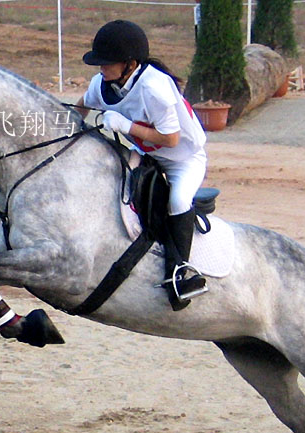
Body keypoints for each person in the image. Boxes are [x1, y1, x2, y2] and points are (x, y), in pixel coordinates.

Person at [78, 19, 208, 310]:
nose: (100, 68)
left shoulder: (154, 88)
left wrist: (127, 126)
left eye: (106, 62)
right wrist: (67, 126)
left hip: (182, 160)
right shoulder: (103, 84)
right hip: (145, 155)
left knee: (177, 199)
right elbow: (83, 103)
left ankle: (180, 273)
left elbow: (171, 139)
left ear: (129, 64)